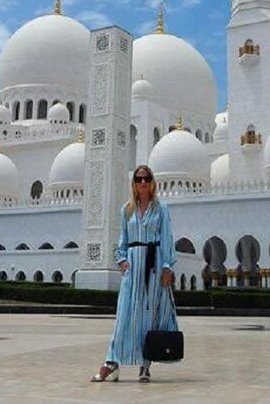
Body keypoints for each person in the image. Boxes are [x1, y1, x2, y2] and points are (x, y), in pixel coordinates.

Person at [91, 164, 178, 384]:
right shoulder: (127, 209)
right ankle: (111, 363)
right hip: (133, 267)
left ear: (152, 182)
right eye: (138, 179)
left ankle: (145, 365)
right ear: (134, 183)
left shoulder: (161, 209)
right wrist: (122, 261)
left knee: (149, 316)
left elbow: (167, 239)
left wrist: (167, 266)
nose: (142, 183)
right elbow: (122, 241)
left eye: (146, 179)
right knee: (124, 316)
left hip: (153, 267)